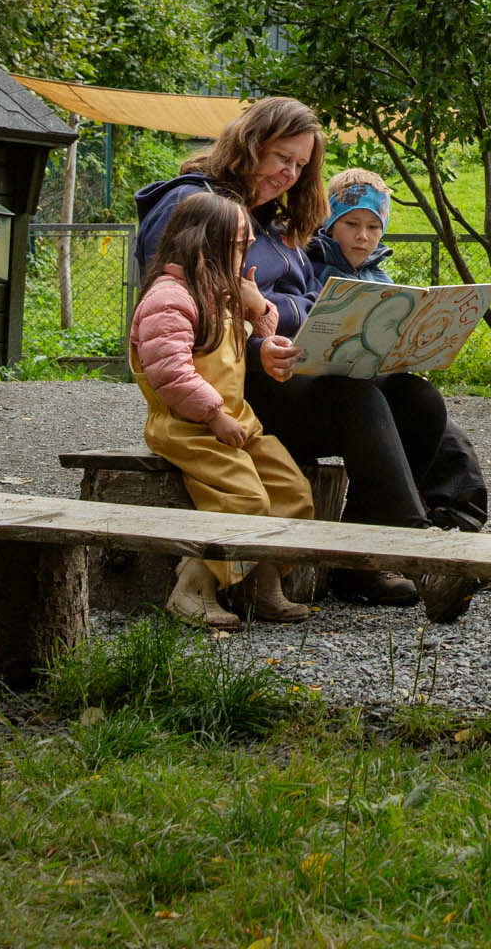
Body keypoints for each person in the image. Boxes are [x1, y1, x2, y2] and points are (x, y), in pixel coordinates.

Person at [132, 100, 465, 616]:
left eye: (299, 166)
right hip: (232, 384)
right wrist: (266, 339)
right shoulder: (194, 204)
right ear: (247, 146)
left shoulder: (274, 223)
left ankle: (360, 562)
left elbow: (312, 300)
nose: (288, 175)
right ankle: (421, 556)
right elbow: (185, 304)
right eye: (280, 158)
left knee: (417, 399)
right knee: (356, 401)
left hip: (289, 366)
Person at [127, 188, 311, 631]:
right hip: (187, 426)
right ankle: (190, 589)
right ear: (199, 243)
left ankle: (260, 586)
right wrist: (212, 414)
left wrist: (259, 306)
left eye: (246, 246)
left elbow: (256, 333)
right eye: (236, 247)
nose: (244, 254)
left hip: (234, 423)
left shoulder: (220, 292)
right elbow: (170, 372)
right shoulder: (170, 298)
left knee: (291, 490)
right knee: (245, 497)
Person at [302, 166, 491, 537]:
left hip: (373, 380)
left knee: (428, 404)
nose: (362, 236)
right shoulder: (310, 267)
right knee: (403, 411)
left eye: (373, 227)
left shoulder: (383, 279)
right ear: (329, 223)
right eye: (351, 224)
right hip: (322, 391)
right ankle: (417, 527)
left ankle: (458, 519)